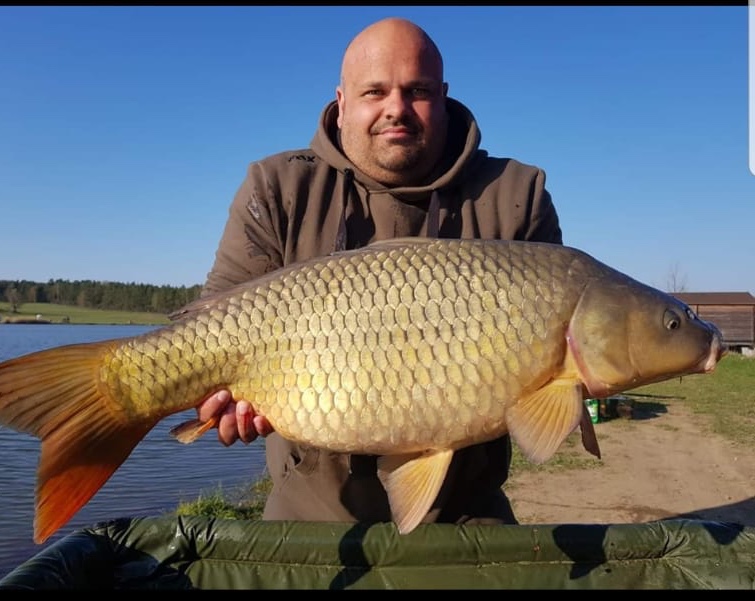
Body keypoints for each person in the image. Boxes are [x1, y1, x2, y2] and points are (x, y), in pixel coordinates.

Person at [194, 17, 562, 527]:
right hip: (307, 516)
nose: (397, 109)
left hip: (468, 516)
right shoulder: (276, 187)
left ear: (444, 95)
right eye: (375, 91)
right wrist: (222, 401)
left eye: (418, 91)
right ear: (342, 101)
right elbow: (214, 324)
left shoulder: (517, 195)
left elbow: (552, 398)